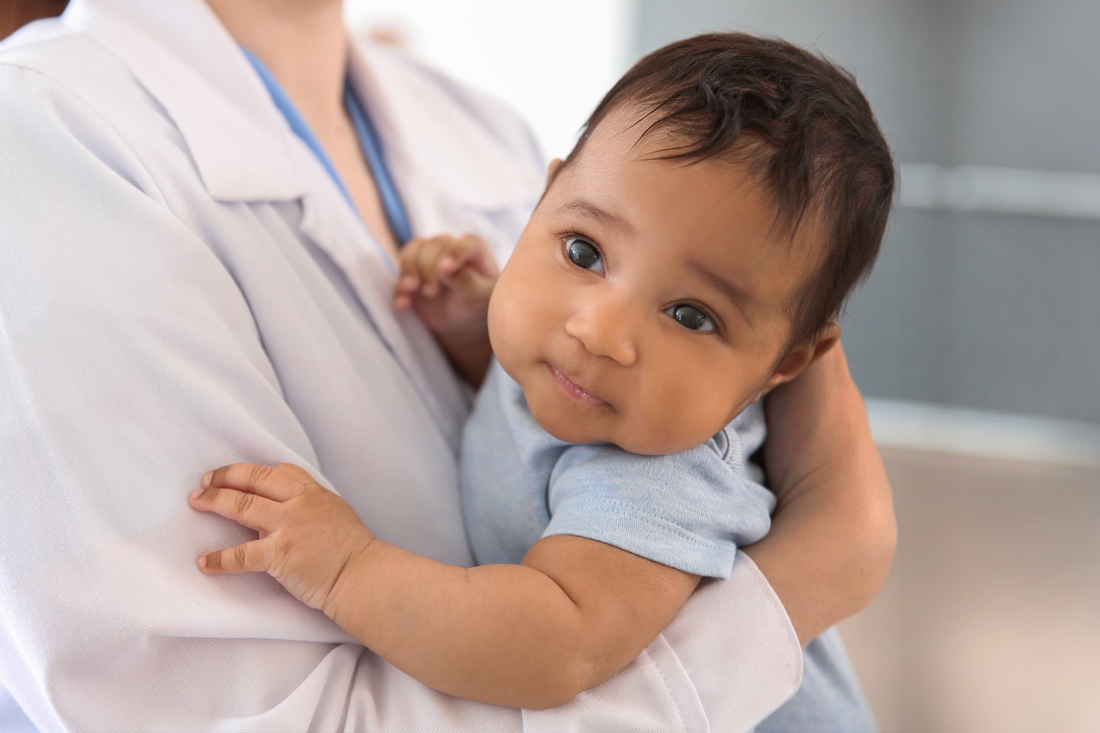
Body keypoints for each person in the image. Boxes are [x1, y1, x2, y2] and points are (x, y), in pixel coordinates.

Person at [0, 0, 895, 730]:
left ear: (788, 364)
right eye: (583, 254)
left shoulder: (661, 475)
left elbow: (559, 638)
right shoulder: (48, 136)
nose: (599, 334)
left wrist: (353, 570)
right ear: (552, 198)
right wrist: (815, 570)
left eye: (691, 314)